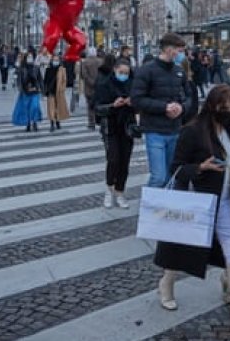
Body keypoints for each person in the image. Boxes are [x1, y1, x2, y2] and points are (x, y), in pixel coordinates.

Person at [153, 84, 230, 341]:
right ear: (212, 106)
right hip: (197, 203)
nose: (229, 111)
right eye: (224, 107)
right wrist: (200, 167)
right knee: (180, 250)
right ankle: (166, 283)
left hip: (226, 202)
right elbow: (177, 168)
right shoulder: (192, 131)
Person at [131, 32, 192, 189]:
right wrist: (164, 107)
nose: (181, 54)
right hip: (155, 130)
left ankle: (164, 206)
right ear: (169, 49)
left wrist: (182, 107)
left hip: (175, 129)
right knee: (158, 177)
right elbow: (137, 99)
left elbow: (189, 97)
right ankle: (148, 206)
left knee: (171, 175)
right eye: (179, 51)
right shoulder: (146, 70)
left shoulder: (179, 71)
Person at [95, 58, 136, 209]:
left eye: (126, 73)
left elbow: (140, 104)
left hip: (127, 127)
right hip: (110, 127)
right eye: (121, 72)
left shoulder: (133, 84)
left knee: (124, 161)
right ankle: (109, 188)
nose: (124, 75)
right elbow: (97, 108)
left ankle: (120, 192)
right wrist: (113, 105)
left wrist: (133, 103)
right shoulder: (104, 84)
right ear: (114, 70)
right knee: (113, 159)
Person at [12, 49, 43, 131]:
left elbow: (40, 79)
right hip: (25, 91)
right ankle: (28, 123)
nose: (30, 58)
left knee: (35, 107)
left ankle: (35, 122)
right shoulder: (22, 68)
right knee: (27, 108)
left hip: (35, 91)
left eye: (31, 57)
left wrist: (42, 90)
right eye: (28, 57)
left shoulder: (36, 67)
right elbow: (17, 77)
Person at [43, 54, 70, 131]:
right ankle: (52, 123)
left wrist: (62, 89)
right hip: (51, 91)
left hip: (59, 91)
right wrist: (45, 90)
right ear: (51, 61)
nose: (55, 61)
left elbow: (64, 80)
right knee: (51, 108)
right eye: (54, 60)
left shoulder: (62, 69)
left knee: (58, 107)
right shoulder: (48, 69)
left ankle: (58, 121)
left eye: (57, 60)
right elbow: (45, 81)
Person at [81, 47, 102, 130]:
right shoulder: (100, 61)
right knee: (100, 105)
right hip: (99, 87)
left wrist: (91, 82)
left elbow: (84, 75)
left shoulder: (85, 62)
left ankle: (91, 123)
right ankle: (100, 121)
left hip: (89, 88)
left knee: (90, 106)